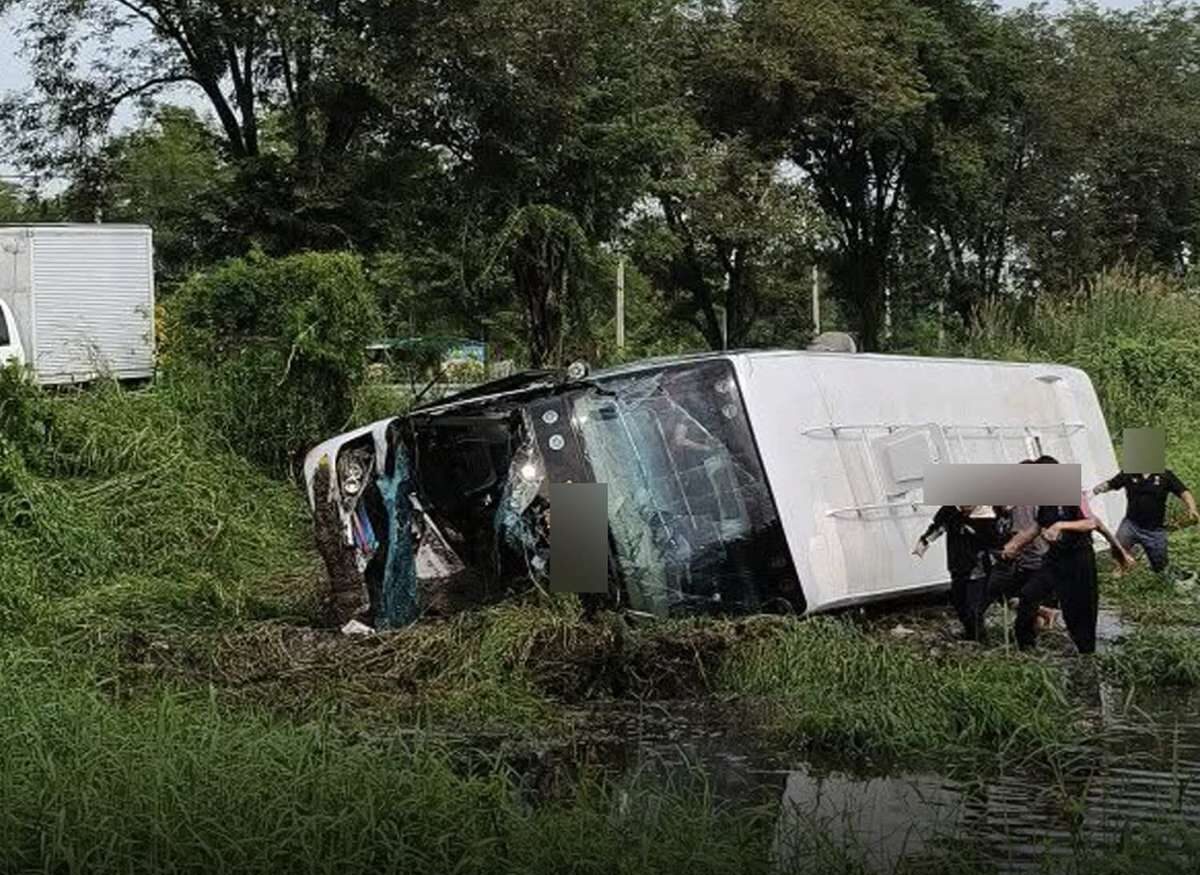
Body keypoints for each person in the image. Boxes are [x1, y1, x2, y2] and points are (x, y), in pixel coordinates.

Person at [1002, 456, 1101, 655]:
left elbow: (1091, 523)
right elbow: (1037, 527)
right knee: (1029, 594)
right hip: (1055, 559)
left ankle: (1086, 653)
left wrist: (1061, 525)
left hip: (1079, 559)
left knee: (1079, 611)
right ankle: (1025, 647)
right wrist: (1014, 544)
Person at [1092, 465, 1199, 583]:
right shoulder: (1129, 472)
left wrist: (1192, 508)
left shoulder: (1165, 475)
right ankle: (1121, 567)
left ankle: (1172, 577)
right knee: (1119, 545)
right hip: (1131, 524)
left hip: (1154, 530)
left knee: (1160, 566)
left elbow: (1184, 492)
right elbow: (1112, 484)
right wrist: (1096, 490)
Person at [914, 505, 995, 641]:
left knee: (974, 607)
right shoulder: (950, 511)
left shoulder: (986, 514)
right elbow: (937, 527)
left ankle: (979, 638)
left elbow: (993, 538)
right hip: (957, 564)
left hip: (978, 567)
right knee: (959, 602)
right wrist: (923, 543)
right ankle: (971, 633)